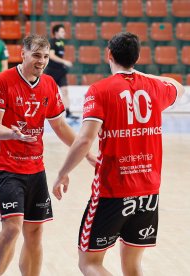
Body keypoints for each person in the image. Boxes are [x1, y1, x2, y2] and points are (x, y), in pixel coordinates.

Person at [52, 32, 185, 275]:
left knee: (89, 262)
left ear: (108, 55)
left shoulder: (100, 90)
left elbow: (84, 140)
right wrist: (141, 74)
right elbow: (178, 87)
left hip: (113, 190)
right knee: (132, 266)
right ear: (137, 57)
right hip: (149, 191)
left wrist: (62, 173)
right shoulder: (154, 87)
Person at [0, 34, 95, 276]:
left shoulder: (49, 84)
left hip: (36, 168)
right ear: (22, 53)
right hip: (6, 167)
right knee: (12, 229)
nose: (42, 61)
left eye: (45, 56)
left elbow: (60, 127)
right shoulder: (0, 82)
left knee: (34, 233)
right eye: (36, 55)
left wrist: (85, 153)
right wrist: (11, 133)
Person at [44, 24, 78, 120]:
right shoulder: (51, 42)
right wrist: (65, 61)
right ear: (56, 32)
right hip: (51, 71)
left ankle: (68, 112)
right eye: (62, 31)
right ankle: (43, 111)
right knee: (47, 93)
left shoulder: (61, 42)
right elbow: (51, 55)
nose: (64, 33)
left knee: (65, 91)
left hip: (60, 71)